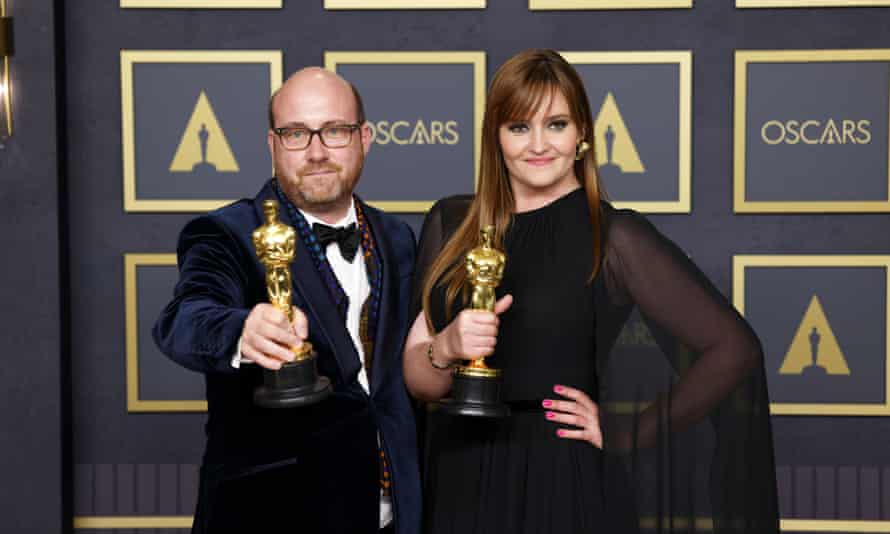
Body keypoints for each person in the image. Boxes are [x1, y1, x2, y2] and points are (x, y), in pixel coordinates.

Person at [403, 49, 778, 534]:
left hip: (559, 479)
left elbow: (735, 349)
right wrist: (447, 347)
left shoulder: (613, 236)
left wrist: (627, 432)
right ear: (495, 137)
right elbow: (419, 380)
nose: (538, 144)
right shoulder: (453, 222)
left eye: (555, 124)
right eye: (518, 127)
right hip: (459, 476)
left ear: (582, 133)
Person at [153, 67, 421, 534]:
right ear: (272, 145)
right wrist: (242, 330)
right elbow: (185, 317)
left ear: (365, 138)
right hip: (274, 514)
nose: (316, 152)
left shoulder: (398, 237)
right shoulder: (227, 233)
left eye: (334, 131)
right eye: (296, 133)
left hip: (392, 515)